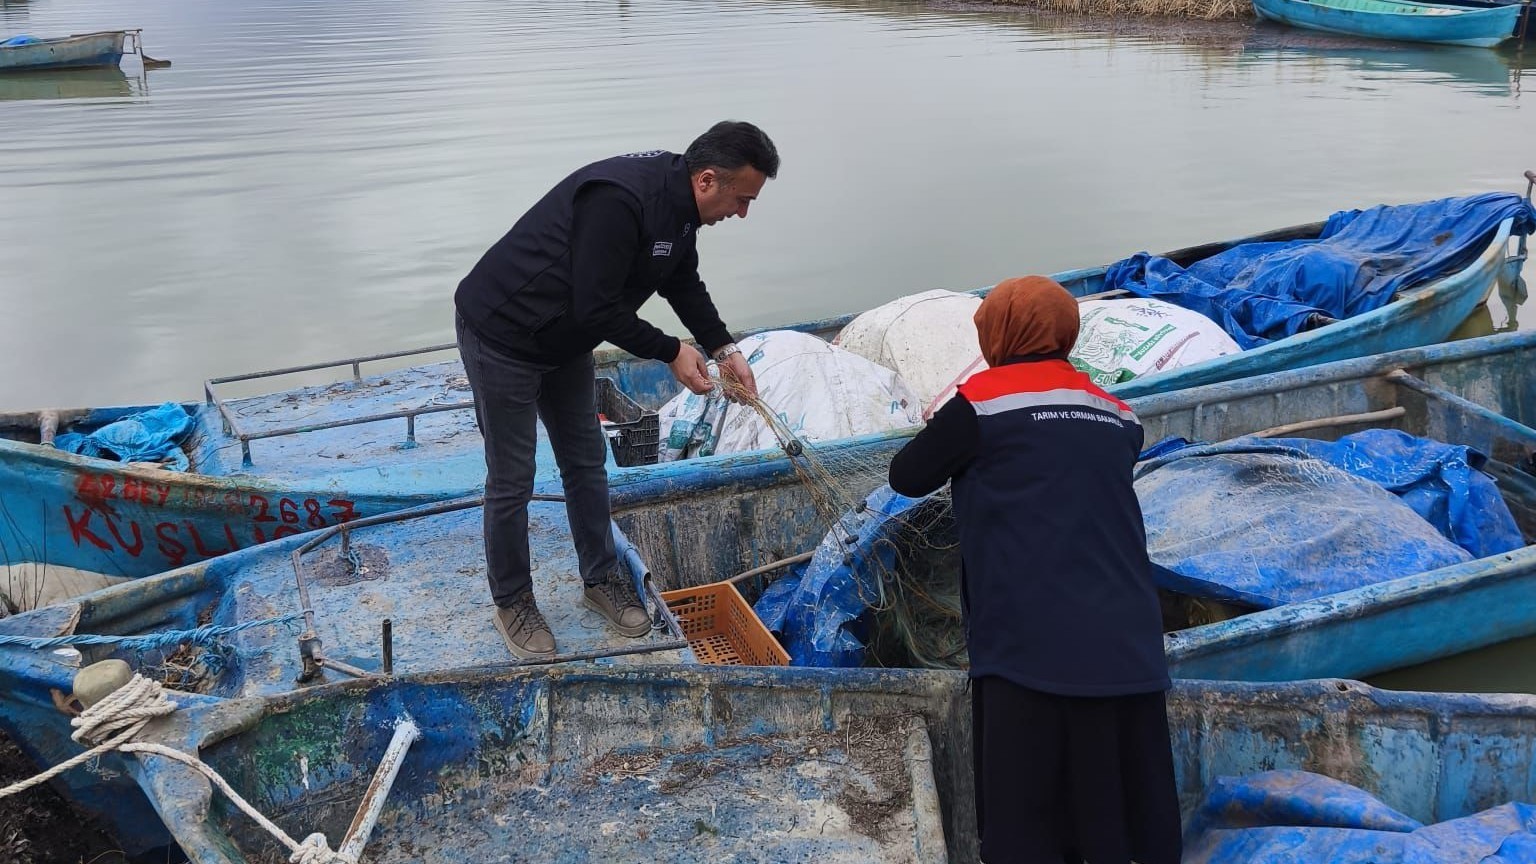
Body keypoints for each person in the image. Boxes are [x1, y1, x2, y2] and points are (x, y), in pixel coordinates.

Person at [454, 121, 778, 659]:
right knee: (513, 477)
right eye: (742, 200)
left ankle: (601, 577)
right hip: (504, 333)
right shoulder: (618, 201)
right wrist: (671, 351)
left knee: (586, 462)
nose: (742, 213)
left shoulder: (681, 211)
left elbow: (682, 282)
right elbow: (596, 307)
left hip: (564, 340)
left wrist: (725, 349)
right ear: (706, 180)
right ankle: (512, 600)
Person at [887, 276, 1181, 864]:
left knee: (1027, 820)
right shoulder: (1118, 414)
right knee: (1120, 815)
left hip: (1029, 644)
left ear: (998, 335)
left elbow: (907, 475)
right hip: (1128, 641)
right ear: (1065, 333)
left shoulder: (979, 405)